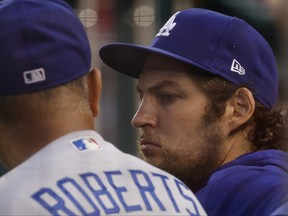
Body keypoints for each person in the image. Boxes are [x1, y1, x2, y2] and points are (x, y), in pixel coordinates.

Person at [0, 1, 207, 215]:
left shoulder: (8, 201)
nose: (140, 118)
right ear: (94, 88)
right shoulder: (178, 195)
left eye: (167, 96)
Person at [99, 8, 288, 216]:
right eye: (141, 97)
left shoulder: (243, 187)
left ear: (238, 108)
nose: (139, 118)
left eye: (167, 97)